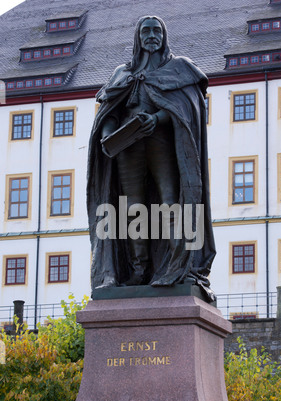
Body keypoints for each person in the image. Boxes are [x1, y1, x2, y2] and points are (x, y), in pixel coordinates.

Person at [87, 15, 216, 300]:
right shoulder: (122, 72)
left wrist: (157, 119)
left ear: (164, 36)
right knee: (132, 209)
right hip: (127, 144)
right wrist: (110, 135)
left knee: (170, 203)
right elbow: (109, 111)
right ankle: (138, 270)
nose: (151, 35)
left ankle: (176, 266)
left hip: (161, 141)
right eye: (146, 31)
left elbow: (186, 108)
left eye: (156, 30)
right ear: (137, 37)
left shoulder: (179, 68)